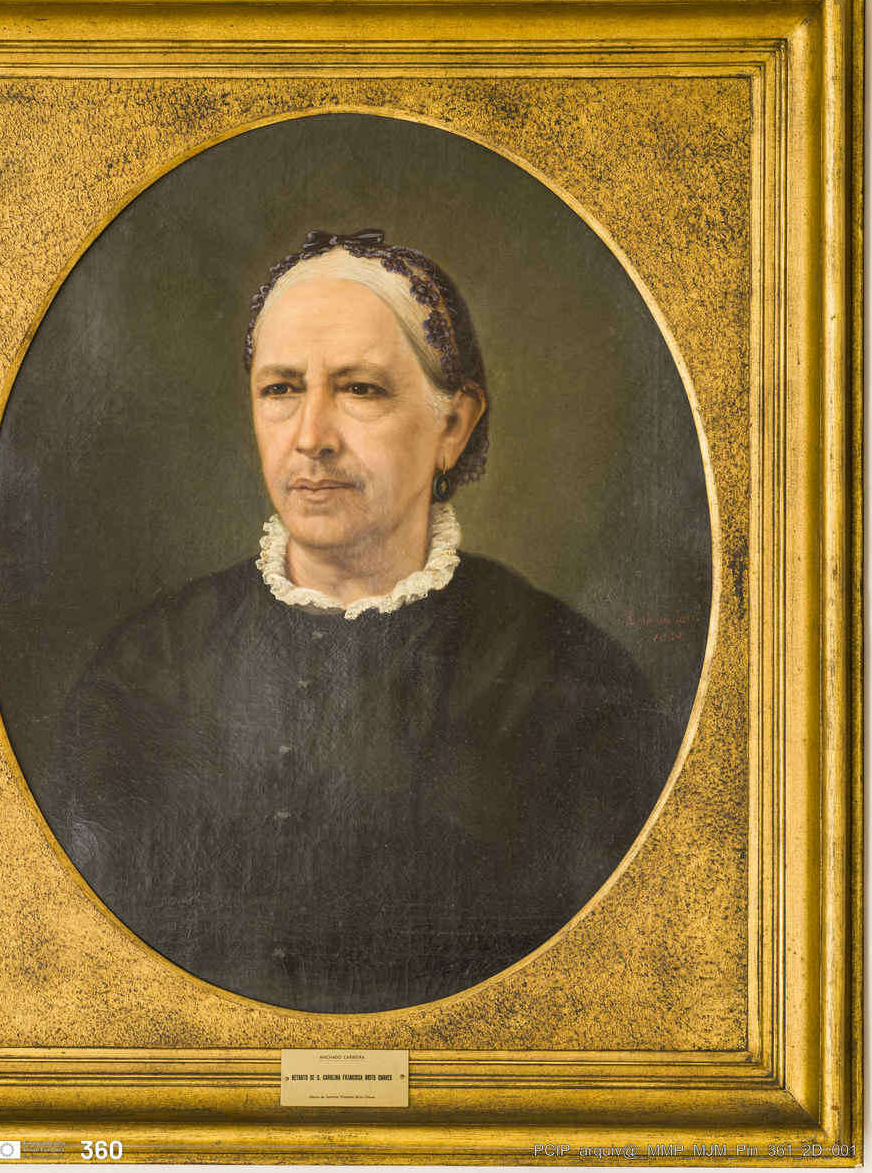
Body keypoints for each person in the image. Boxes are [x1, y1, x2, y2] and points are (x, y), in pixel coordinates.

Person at [35, 229, 675, 1014]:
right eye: (280, 388)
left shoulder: (570, 681)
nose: (311, 437)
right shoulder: (145, 669)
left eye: (360, 389)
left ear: (452, 425)